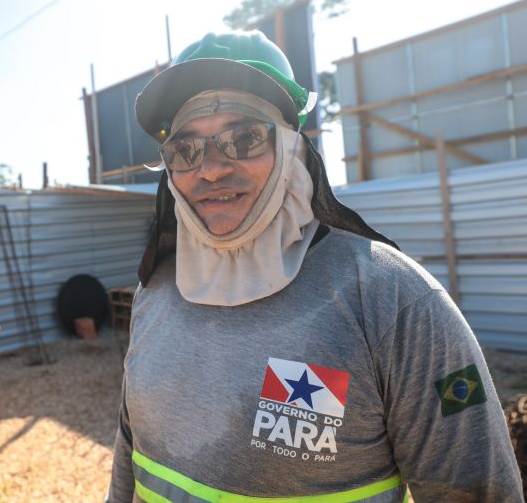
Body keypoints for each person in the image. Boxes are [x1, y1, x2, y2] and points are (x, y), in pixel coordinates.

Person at [106, 32, 523, 502]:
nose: (212, 169)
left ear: (293, 148)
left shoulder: (395, 301)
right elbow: (129, 450)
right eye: (186, 150)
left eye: (244, 138)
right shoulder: (155, 291)